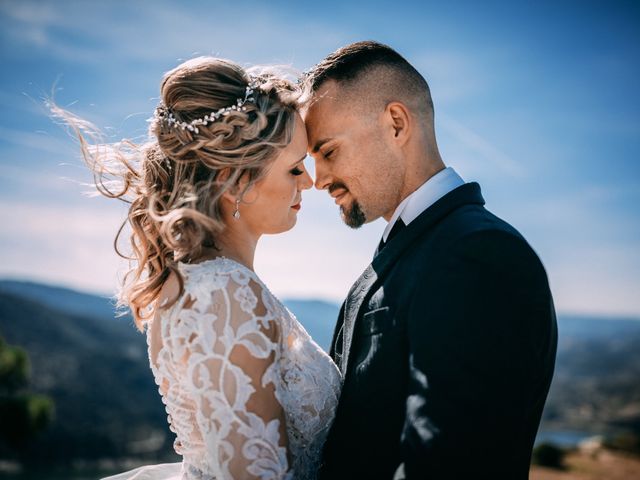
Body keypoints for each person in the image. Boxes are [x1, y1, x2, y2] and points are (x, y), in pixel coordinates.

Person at [51, 57, 341, 480]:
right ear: (234, 178)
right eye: (294, 167)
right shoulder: (223, 293)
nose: (309, 182)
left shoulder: (204, 281)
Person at [302, 41, 558, 479]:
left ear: (396, 124)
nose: (318, 179)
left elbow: (451, 462)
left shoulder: (479, 253)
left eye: (328, 152)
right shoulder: (417, 245)